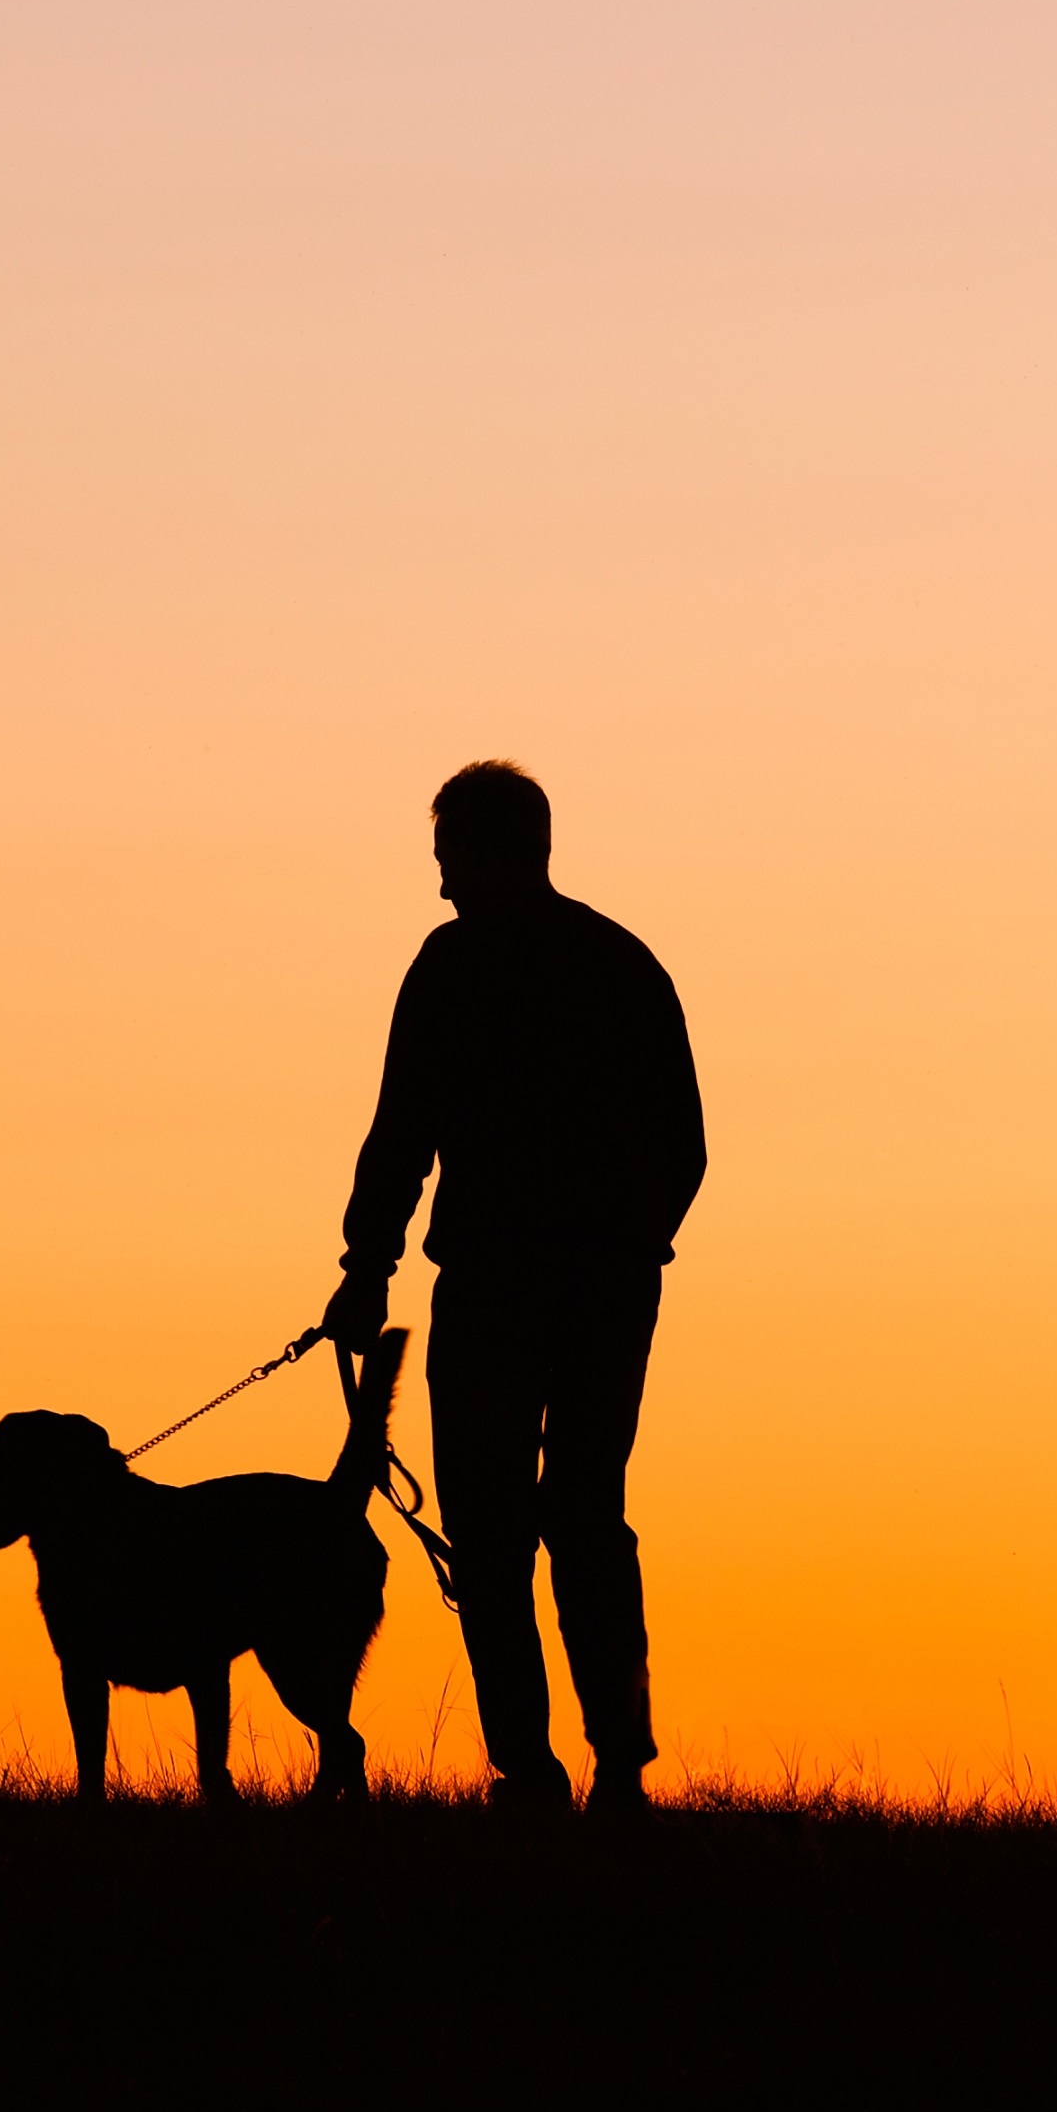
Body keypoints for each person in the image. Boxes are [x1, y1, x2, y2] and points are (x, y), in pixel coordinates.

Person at [320, 761, 706, 1813]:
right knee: (587, 1514)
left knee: (492, 1528)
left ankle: (527, 1772)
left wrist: (366, 1267)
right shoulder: (623, 964)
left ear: (487, 853)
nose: (441, 887)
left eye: (447, 861)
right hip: (607, 1288)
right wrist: (634, 1245)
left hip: (496, 1284)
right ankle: (616, 1767)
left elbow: (402, 1129)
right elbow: (686, 1146)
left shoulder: (452, 967)